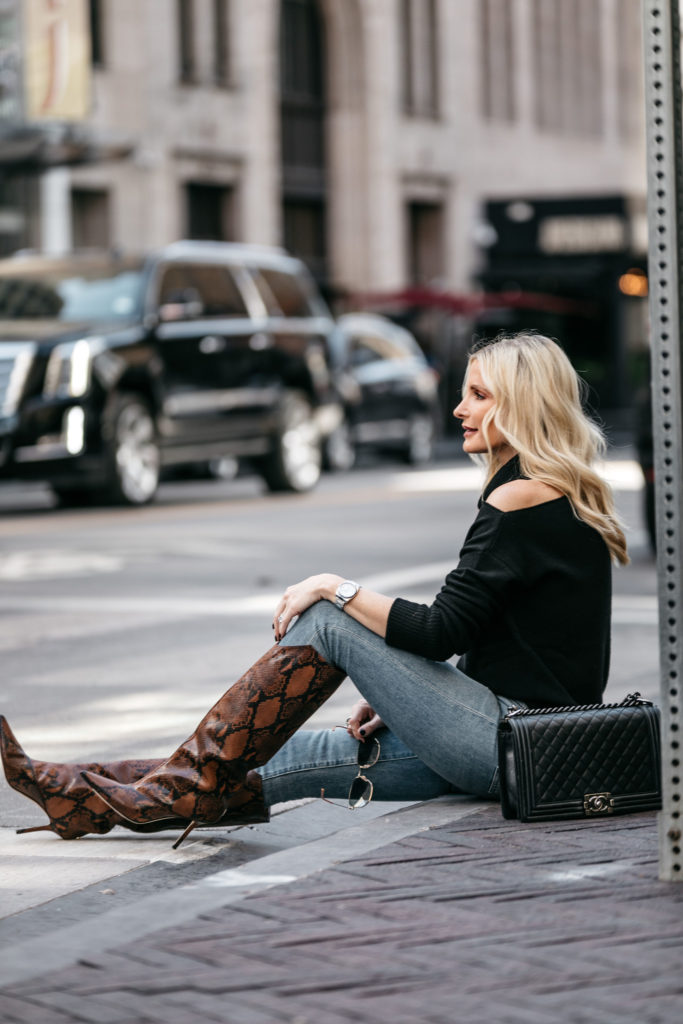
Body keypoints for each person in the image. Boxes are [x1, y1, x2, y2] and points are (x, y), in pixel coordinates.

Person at [1, 332, 629, 848]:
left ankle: (176, 788)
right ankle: (75, 793)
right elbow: (514, 639)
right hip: (516, 739)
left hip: (509, 742)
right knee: (278, 757)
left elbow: (442, 632)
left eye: (478, 396)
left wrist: (335, 586)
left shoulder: (519, 495)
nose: (459, 410)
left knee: (328, 618)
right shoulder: (557, 493)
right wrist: (407, 700)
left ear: (521, 405)